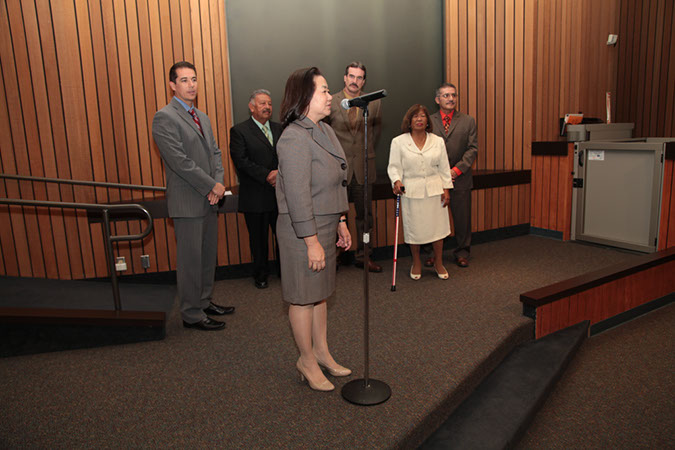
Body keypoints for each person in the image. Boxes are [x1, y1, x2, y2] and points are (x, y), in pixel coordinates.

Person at [276, 67, 352, 392]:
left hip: (325, 224)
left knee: (320, 295)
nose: (328, 95)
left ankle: (321, 352)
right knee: (303, 298)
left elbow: (338, 178)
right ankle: (305, 359)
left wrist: (342, 221)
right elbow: (297, 195)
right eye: (323, 89)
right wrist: (311, 242)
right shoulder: (293, 137)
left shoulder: (324, 131)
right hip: (301, 232)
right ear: (305, 96)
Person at [152, 61, 235, 331]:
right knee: (190, 261)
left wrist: (219, 183)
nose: (191, 85)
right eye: (185, 80)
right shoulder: (164, 117)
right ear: (172, 85)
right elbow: (180, 162)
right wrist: (212, 185)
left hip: (210, 197)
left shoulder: (203, 116)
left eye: (194, 79)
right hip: (188, 201)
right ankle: (191, 313)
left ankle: (204, 301)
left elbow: (216, 153)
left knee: (207, 255)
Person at [326, 61, 383, 272]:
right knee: (335, 216)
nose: (354, 81)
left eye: (359, 78)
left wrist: (363, 155)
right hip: (337, 170)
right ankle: (337, 255)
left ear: (364, 81)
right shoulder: (331, 101)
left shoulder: (373, 103)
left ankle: (364, 255)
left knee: (365, 217)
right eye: (351, 76)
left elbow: (374, 134)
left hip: (363, 170)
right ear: (344, 78)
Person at [387, 104, 453, 280]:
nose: (419, 119)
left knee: (438, 230)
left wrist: (446, 189)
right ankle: (416, 262)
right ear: (409, 121)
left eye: (423, 116)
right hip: (411, 191)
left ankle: (438, 262)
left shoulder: (437, 141)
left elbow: (444, 167)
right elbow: (394, 167)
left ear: (427, 121)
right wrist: (397, 180)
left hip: (435, 189)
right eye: (415, 116)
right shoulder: (398, 142)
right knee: (414, 230)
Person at [230, 89, 283, 289]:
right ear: (252, 107)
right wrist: (266, 175)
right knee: (258, 240)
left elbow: (289, 154)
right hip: (255, 195)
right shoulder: (239, 131)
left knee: (283, 237)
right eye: (262, 103)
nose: (267, 107)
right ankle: (260, 274)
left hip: (280, 194)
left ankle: (284, 272)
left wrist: (279, 173)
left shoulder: (281, 129)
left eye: (269, 103)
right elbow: (241, 161)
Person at [428, 82, 478, 268]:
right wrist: (440, 172)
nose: (451, 99)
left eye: (453, 95)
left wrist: (456, 170)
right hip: (435, 178)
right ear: (437, 99)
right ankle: (433, 253)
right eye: (446, 95)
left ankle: (462, 252)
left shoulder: (468, 121)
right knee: (434, 218)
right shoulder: (428, 120)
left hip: (460, 177)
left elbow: (472, 149)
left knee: (462, 218)